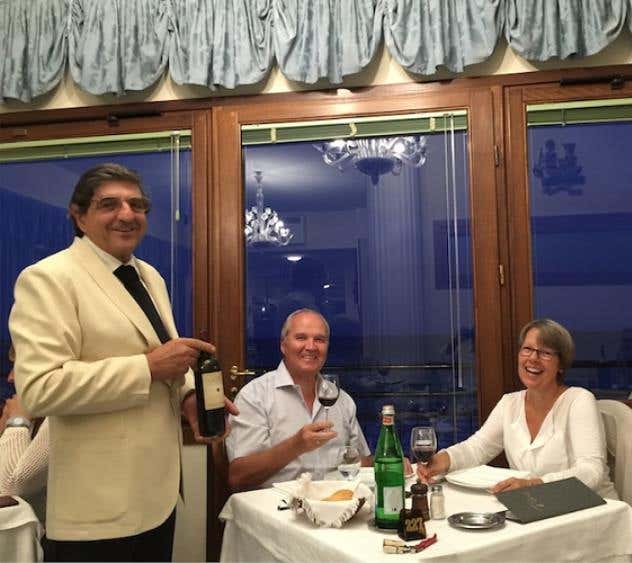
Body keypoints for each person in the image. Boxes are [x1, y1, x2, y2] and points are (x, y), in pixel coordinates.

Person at [8, 163, 237, 562]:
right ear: (79, 216)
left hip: (159, 496)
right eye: (109, 204)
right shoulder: (48, 278)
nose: (127, 214)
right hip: (97, 507)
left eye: (137, 204)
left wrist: (187, 397)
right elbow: (41, 388)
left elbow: (164, 355)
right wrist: (146, 368)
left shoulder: (150, 277)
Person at [417, 318, 617, 498]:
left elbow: (592, 471)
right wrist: (441, 461)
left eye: (545, 353)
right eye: (527, 349)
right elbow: (477, 448)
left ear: (561, 365)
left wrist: (533, 484)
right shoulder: (510, 403)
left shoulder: (579, 400)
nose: (533, 358)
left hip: (593, 510)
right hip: (537, 506)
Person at [227, 308, 371, 490]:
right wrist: (296, 445)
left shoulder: (341, 399)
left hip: (333, 502)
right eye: (301, 338)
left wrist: (391, 463)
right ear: (283, 345)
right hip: (276, 504)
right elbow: (238, 478)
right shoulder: (254, 396)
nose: (311, 347)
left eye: (319, 339)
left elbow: (362, 462)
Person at [0, 345, 49, 521]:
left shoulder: (61, 415)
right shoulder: (32, 412)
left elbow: (7, 490)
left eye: (18, 367)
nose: (10, 378)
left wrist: (17, 422)